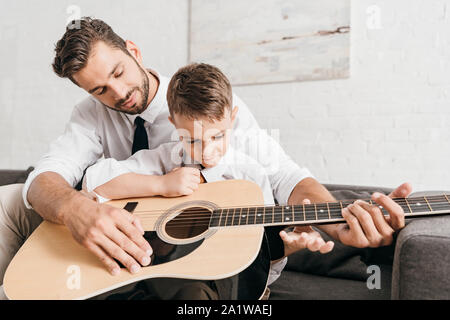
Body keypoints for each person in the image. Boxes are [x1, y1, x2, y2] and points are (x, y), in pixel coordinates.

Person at [0, 17, 411, 299]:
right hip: (121, 237)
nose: (117, 93)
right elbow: (46, 177)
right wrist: (74, 208)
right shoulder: (91, 116)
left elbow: (285, 176)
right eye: (99, 90)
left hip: (182, 258)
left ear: (133, 50)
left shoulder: (204, 104)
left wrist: (337, 222)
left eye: (119, 73)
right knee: (10, 199)